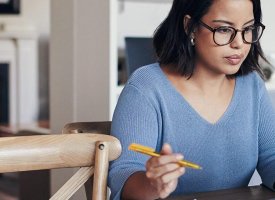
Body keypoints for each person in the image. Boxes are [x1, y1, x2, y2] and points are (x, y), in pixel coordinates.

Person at [108, 0, 275, 199]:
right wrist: (152, 184)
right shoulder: (146, 87)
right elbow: (123, 175)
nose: (239, 43)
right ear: (190, 26)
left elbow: (270, 157)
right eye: (223, 29)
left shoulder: (252, 85)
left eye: (248, 29)